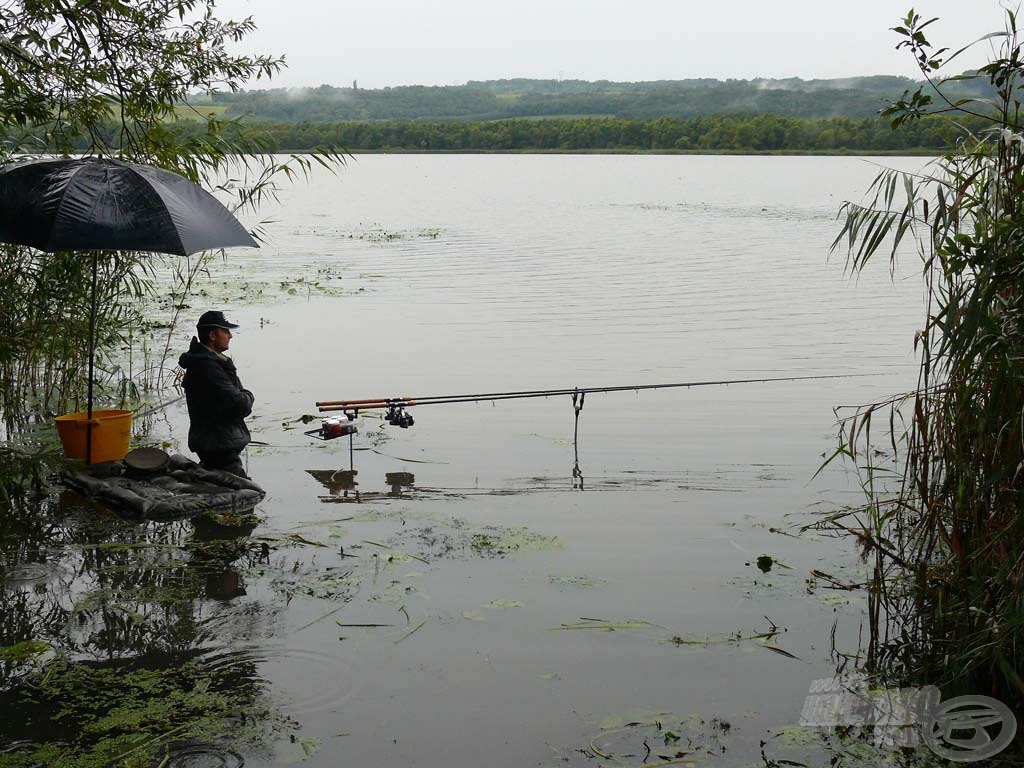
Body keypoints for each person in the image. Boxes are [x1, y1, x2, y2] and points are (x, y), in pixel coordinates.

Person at [178, 310, 254, 477]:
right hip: (219, 447)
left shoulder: (212, 362)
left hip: (215, 445)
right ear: (212, 335)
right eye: (225, 331)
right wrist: (248, 395)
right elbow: (241, 404)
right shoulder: (208, 367)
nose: (230, 335)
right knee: (246, 494)